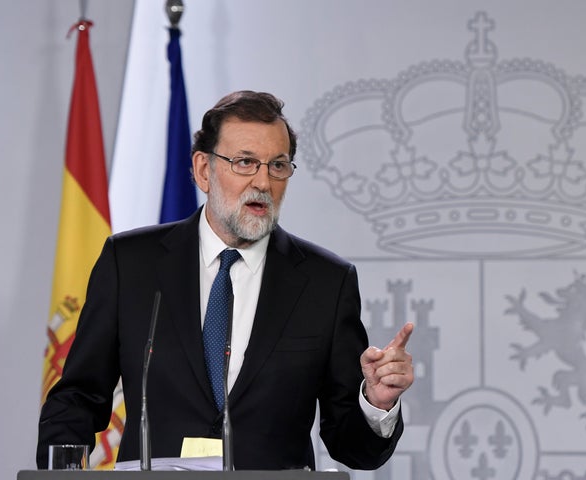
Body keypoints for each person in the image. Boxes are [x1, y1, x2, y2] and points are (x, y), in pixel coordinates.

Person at [37, 90, 414, 470]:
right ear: (204, 170)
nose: (264, 183)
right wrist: (62, 474)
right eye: (246, 162)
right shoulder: (131, 264)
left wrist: (376, 403)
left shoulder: (326, 282)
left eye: (278, 165)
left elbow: (352, 447)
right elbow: (79, 399)